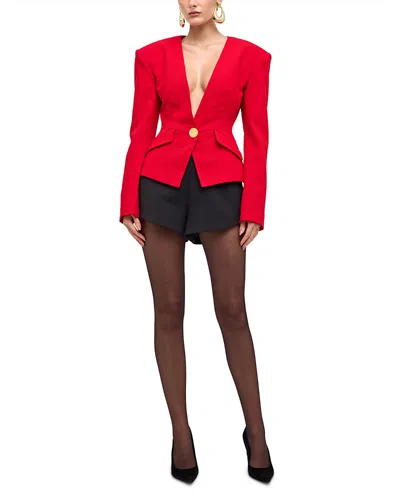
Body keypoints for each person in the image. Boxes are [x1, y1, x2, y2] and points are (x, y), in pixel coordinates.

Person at [119, 0, 273, 484]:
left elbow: (258, 136)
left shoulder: (253, 58)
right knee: (168, 310)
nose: (192, 1)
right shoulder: (150, 56)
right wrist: (128, 199)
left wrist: (254, 206)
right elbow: (140, 130)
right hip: (159, 185)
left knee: (232, 310)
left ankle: (257, 431)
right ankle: (181, 435)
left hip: (222, 184)